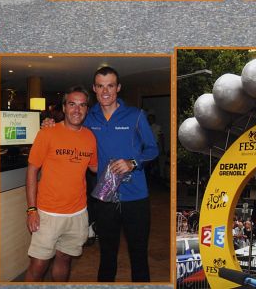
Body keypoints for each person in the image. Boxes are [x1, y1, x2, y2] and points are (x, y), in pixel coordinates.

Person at [87, 66, 159, 282]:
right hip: (105, 198)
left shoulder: (135, 115)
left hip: (135, 197)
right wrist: (48, 124)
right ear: (94, 89)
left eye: (110, 85)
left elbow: (153, 149)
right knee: (107, 256)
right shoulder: (89, 118)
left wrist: (133, 162)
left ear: (118, 88)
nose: (105, 91)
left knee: (138, 256)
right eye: (100, 86)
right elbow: (68, 130)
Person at [25, 87, 98, 282]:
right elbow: (32, 171)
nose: (77, 109)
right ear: (64, 108)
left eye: (82, 105)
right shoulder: (48, 133)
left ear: (87, 109)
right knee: (38, 265)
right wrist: (31, 209)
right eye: (72, 104)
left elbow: (95, 168)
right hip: (48, 214)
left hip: (77, 213)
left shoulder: (90, 137)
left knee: (64, 258)